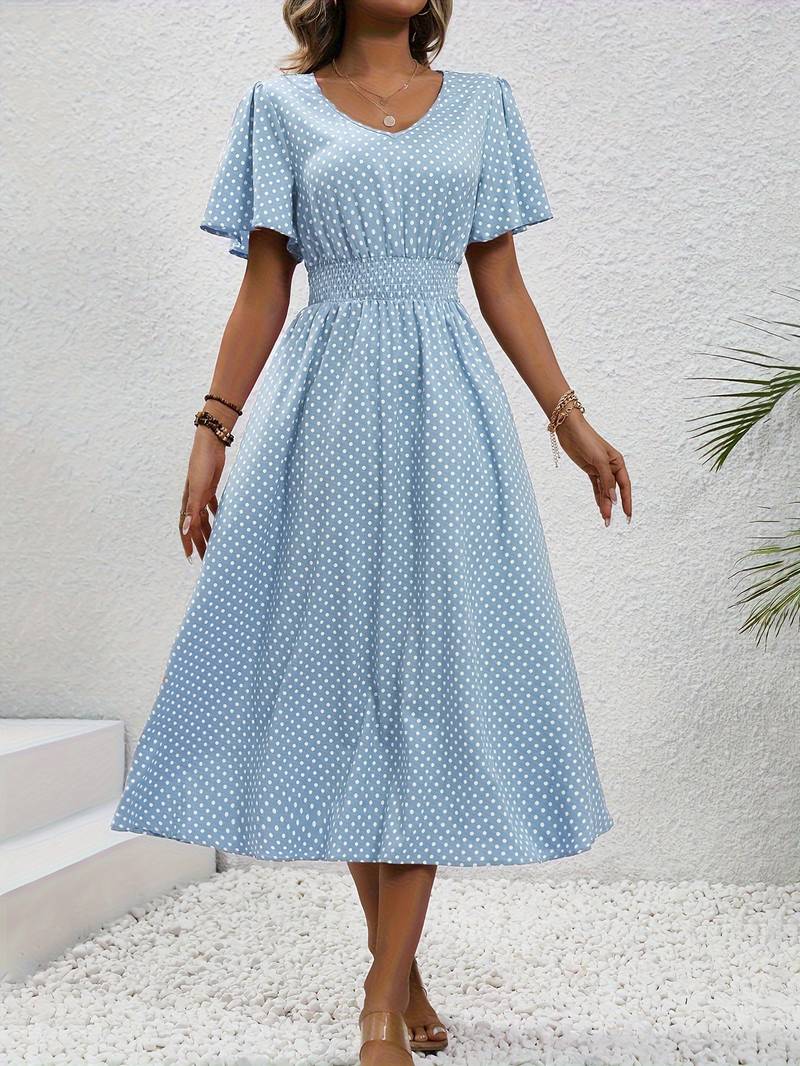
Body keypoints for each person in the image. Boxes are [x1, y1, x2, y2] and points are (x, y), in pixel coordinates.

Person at [111, 1, 631, 1062]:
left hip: (447, 409)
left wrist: (569, 420)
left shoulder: (482, 107)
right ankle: (399, 973)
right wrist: (212, 429)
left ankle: (379, 1000)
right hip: (329, 409)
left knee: (429, 682)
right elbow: (266, 281)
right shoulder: (279, 110)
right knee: (346, 686)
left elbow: (498, 279)